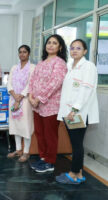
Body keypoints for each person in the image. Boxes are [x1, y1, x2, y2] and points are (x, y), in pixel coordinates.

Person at [56, 39, 99, 184]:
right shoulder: (71, 67)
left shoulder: (88, 66)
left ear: (85, 51)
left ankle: (73, 173)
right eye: (72, 48)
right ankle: (79, 173)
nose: (74, 50)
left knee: (76, 144)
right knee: (77, 143)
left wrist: (74, 109)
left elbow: (86, 89)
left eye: (78, 48)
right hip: (70, 112)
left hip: (78, 113)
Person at [28, 34, 67, 173]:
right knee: (40, 133)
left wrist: (38, 98)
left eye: (54, 43)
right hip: (37, 106)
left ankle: (50, 162)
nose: (50, 45)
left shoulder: (59, 63)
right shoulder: (41, 62)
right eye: (49, 42)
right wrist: (31, 96)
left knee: (50, 135)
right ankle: (43, 158)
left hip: (51, 105)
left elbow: (54, 83)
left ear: (60, 47)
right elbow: (32, 80)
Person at [7, 45, 35, 162]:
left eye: (25, 52)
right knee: (16, 125)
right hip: (13, 99)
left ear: (28, 54)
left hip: (25, 101)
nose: (22, 54)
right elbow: (9, 82)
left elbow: (31, 83)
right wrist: (14, 95)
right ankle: (18, 149)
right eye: (20, 52)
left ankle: (26, 151)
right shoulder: (14, 68)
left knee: (25, 126)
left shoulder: (33, 67)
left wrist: (21, 96)